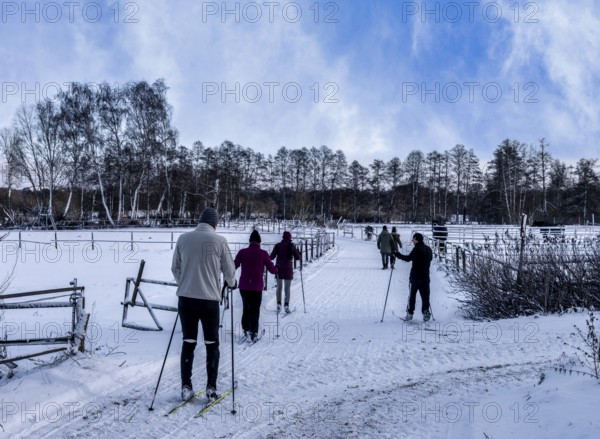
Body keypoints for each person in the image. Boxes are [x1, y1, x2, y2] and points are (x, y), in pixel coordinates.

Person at [171, 207, 237, 402]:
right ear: (214, 225)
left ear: (200, 221)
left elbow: (175, 268)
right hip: (209, 301)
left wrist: (185, 283)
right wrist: (232, 284)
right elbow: (229, 271)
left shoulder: (183, 238)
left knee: (188, 342)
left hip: (186, 299)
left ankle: (186, 386)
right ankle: (211, 388)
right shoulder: (219, 241)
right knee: (212, 344)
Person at [234, 230, 278, 342]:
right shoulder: (263, 253)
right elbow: (272, 270)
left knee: (246, 308)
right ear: (259, 242)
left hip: (244, 286)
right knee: (254, 310)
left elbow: (234, 265)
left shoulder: (242, 252)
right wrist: (278, 269)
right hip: (256, 287)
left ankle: (245, 329)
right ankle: (254, 333)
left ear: (250, 241)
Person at [394, 232, 433, 322]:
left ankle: (410, 313)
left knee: (412, 296)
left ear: (417, 239)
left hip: (415, 277)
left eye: (413, 239)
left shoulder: (417, 249)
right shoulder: (429, 249)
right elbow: (430, 260)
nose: (412, 241)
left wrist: (398, 255)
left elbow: (408, 259)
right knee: (425, 296)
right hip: (425, 277)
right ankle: (426, 313)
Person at [270, 231, 301, 313]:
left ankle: (278, 304)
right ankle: (286, 305)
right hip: (288, 270)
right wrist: (298, 251)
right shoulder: (292, 246)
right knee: (287, 288)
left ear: (283, 237)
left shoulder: (277, 245)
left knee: (279, 287)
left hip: (278, 269)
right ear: (289, 238)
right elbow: (298, 258)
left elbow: (271, 257)